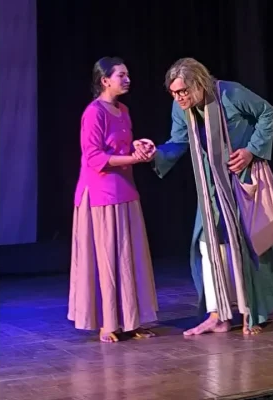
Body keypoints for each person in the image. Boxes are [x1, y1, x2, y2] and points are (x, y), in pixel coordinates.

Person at [145, 57, 273, 336]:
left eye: (183, 91)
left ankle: (252, 312)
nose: (179, 98)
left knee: (246, 242)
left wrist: (251, 150)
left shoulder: (230, 93)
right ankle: (218, 314)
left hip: (240, 179)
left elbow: (267, 112)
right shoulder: (180, 107)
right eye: (174, 93)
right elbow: (178, 142)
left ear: (199, 84)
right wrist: (154, 153)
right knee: (208, 245)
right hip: (209, 186)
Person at [67, 57, 159, 343]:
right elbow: (94, 157)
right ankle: (108, 323)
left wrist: (139, 147)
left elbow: (120, 146)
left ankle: (131, 320)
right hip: (101, 194)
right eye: (121, 75)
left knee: (129, 257)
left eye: (127, 74)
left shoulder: (123, 110)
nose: (127, 79)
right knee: (108, 258)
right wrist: (133, 158)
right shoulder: (94, 113)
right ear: (104, 80)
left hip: (125, 189)